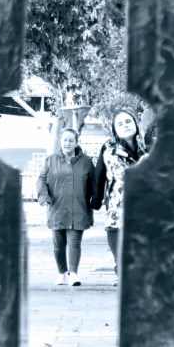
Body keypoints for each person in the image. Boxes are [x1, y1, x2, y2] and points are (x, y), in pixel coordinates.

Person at [92, 107, 148, 285]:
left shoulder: (149, 146)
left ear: (136, 124)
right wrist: (96, 201)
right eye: (120, 123)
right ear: (114, 129)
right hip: (117, 204)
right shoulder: (108, 148)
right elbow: (99, 175)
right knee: (116, 233)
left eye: (128, 121)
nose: (125, 125)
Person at [36, 127, 96, 286]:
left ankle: (73, 274)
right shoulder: (51, 160)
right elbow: (41, 180)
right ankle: (62, 273)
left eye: (71, 140)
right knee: (58, 245)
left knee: (75, 242)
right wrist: (44, 197)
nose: (67, 143)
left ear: (76, 143)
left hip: (79, 208)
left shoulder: (86, 162)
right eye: (64, 140)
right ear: (61, 142)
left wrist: (95, 200)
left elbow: (95, 183)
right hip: (57, 207)